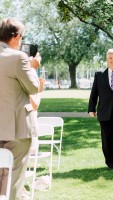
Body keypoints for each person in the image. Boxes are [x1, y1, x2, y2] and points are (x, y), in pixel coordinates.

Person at [0, 18, 41, 200]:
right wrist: (32, 68)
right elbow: (33, 87)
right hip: (17, 129)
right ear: (16, 37)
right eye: (22, 37)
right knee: (14, 180)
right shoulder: (18, 57)